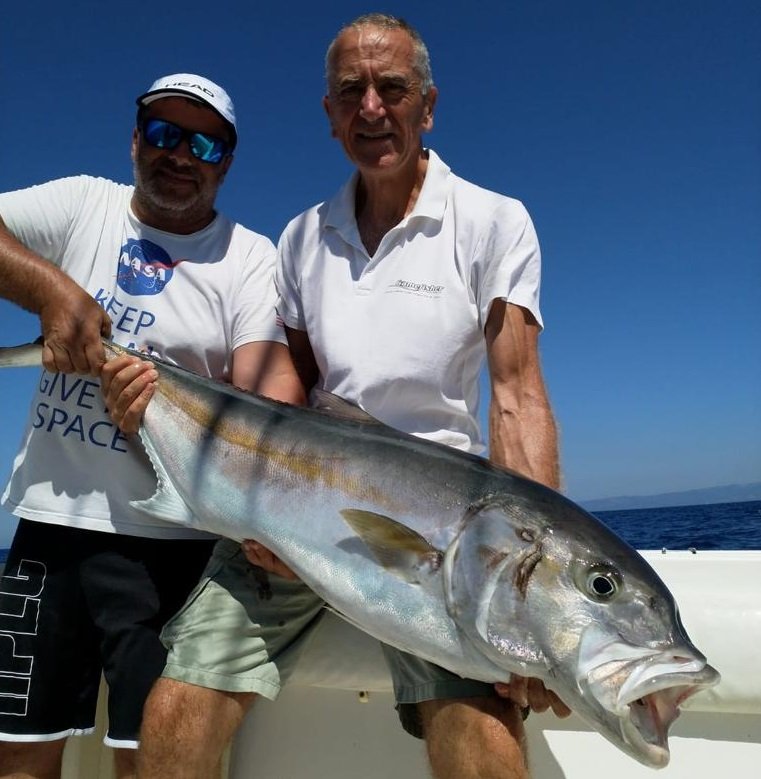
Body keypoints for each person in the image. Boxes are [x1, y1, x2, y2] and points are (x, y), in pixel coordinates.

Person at [108, 15, 570, 779]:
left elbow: (517, 396)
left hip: (439, 529)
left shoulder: (492, 220)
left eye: (391, 89)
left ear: (427, 105)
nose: (370, 108)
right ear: (327, 115)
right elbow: (286, 387)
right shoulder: (301, 238)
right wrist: (260, 512)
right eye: (349, 91)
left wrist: (532, 600)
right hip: (300, 503)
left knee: (481, 736)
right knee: (174, 714)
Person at [0, 73, 303, 779]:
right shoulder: (83, 203)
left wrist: (281, 511)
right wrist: (51, 289)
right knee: (17, 759)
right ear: (135, 141)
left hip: (175, 545)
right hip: (50, 529)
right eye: (163, 133)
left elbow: (268, 388)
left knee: (153, 761)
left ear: (224, 162)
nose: (179, 153)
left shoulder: (249, 255)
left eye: (202, 142)